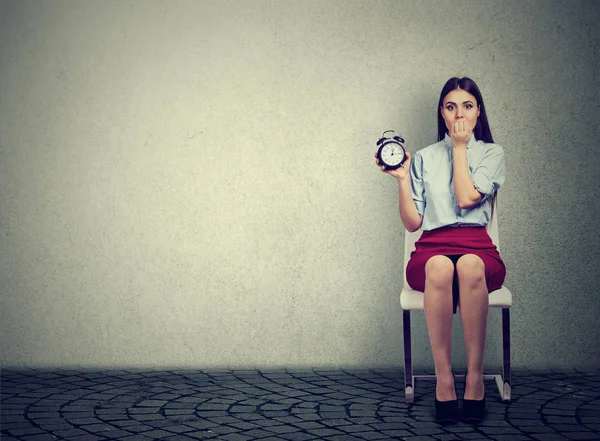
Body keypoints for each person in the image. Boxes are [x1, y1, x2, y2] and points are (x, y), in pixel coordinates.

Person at [375, 77, 506, 424]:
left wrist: (460, 148)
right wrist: (403, 179)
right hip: (432, 247)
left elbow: (466, 198)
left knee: (469, 266)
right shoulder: (423, 157)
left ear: (478, 111)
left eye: (467, 105)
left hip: (477, 246)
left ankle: (475, 378)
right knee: (440, 268)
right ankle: (445, 379)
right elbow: (413, 222)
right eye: (450, 106)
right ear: (442, 113)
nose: (459, 114)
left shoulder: (492, 153)